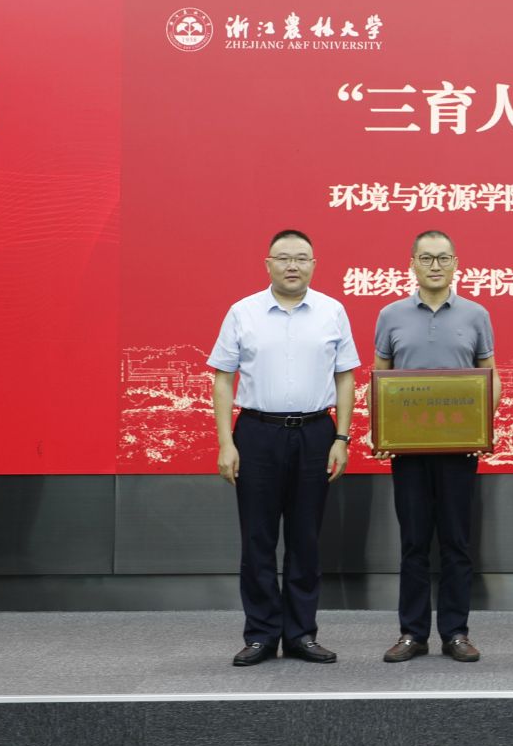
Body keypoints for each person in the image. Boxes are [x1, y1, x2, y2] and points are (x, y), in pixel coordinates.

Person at [208, 229, 358, 667]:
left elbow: (345, 377)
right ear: (268, 264)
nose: (293, 265)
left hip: (316, 433)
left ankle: (300, 634)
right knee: (257, 538)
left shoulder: (332, 311)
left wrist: (341, 438)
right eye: (284, 258)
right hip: (257, 433)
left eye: (302, 258)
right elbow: (223, 378)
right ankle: (260, 635)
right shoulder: (243, 312)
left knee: (305, 538)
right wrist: (226, 442)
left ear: (314, 264)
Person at [372, 229, 497, 662]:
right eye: (426, 258)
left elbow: (490, 375)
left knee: (456, 543)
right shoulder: (390, 315)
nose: (435, 266)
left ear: (456, 263)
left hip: (459, 449)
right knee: (413, 543)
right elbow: (380, 377)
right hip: (408, 451)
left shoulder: (476, 314)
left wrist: (483, 429)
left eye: (443, 258)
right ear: (412, 264)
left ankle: (455, 632)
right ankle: (412, 633)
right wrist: (381, 432)